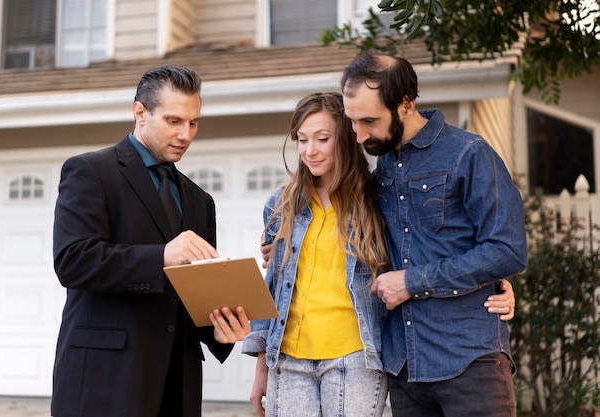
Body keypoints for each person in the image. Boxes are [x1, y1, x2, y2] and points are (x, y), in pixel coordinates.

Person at [246, 92, 516, 417]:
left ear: (346, 139)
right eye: (302, 139)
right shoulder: (281, 206)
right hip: (288, 361)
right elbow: (273, 288)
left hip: (355, 357)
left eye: (322, 138)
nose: (310, 150)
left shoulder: (376, 199)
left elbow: (418, 251)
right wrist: (260, 368)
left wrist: (494, 283)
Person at [51, 65, 251, 417]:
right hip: (105, 381)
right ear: (140, 113)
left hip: (178, 384)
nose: (186, 134)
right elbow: (73, 260)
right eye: (174, 121)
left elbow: (194, 293)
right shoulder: (90, 172)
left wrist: (219, 331)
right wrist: (162, 256)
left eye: (193, 123)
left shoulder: (200, 200)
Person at [341, 51, 527, 417]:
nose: (359, 135)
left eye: (369, 121)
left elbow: (507, 249)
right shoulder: (377, 174)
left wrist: (412, 281)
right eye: (352, 121)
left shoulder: (469, 154)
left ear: (407, 104)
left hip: (469, 359)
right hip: (405, 368)